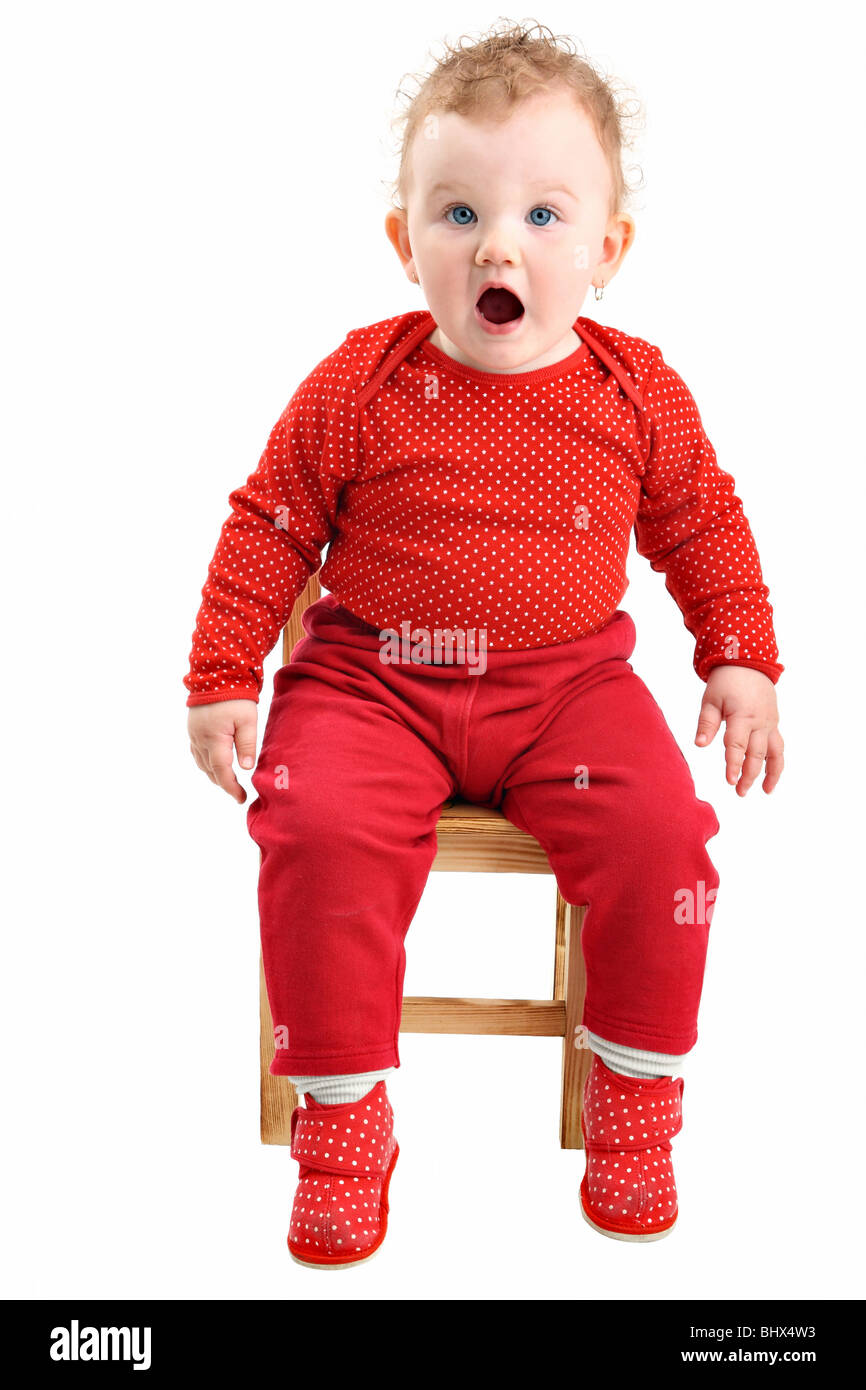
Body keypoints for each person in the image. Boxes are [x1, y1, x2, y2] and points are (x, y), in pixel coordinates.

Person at [185, 21, 785, 1265]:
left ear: (608, 250)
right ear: (407, 244)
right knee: (313, 827)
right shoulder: (358, 381)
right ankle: (343, 1125)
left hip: (569, 692)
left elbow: (702, 521)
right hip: (371, 685)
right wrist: (223, 674)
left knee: (661, 835)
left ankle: (634, 1104)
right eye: (457, 213)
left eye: (544, 217)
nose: (497, 243)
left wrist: (738, 656)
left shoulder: (637, 393)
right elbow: (270, 522)